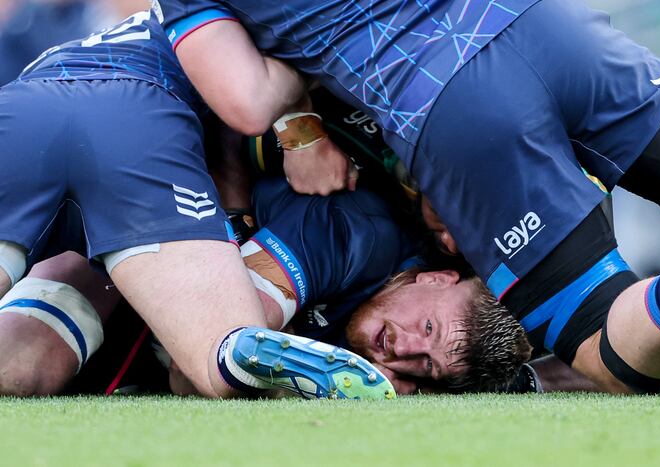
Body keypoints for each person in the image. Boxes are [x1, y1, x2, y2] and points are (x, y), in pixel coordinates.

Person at [134, 0, 660, 397]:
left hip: (444, 99)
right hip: (555, 26)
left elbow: (245, 102)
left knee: (603, 349)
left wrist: (302, 90)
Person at [0, 10, 396, 400]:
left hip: (21, 109)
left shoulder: (146, 14)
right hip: (135, 117)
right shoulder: (220, 3)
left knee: (16, 372)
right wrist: (302, 136)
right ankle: (238, 348)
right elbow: (284, 42)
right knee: (217, 360)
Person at [0, 176, 534, 397]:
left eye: (427, 365)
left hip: (154, 320)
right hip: (129, 246)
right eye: (428, 326)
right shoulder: (356, 235)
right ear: (437, 276)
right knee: (21, 367)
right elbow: (197, 358)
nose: (406, 348)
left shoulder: (384, 353)